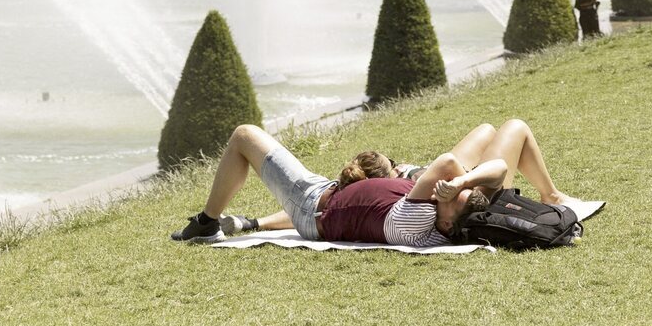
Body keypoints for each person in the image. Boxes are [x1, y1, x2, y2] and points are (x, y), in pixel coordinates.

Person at [171, 118, 573, 246]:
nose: (448, 187)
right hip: (343, 201)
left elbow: (447, 161)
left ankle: (206, 221)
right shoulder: (452, 214)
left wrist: (454, 177)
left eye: (452, 195)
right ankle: (252, 223)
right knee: (489, 130)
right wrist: (467, 184)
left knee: (244, 135)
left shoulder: (416, 224)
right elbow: (500, 171)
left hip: (312, 201)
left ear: (446, 222)